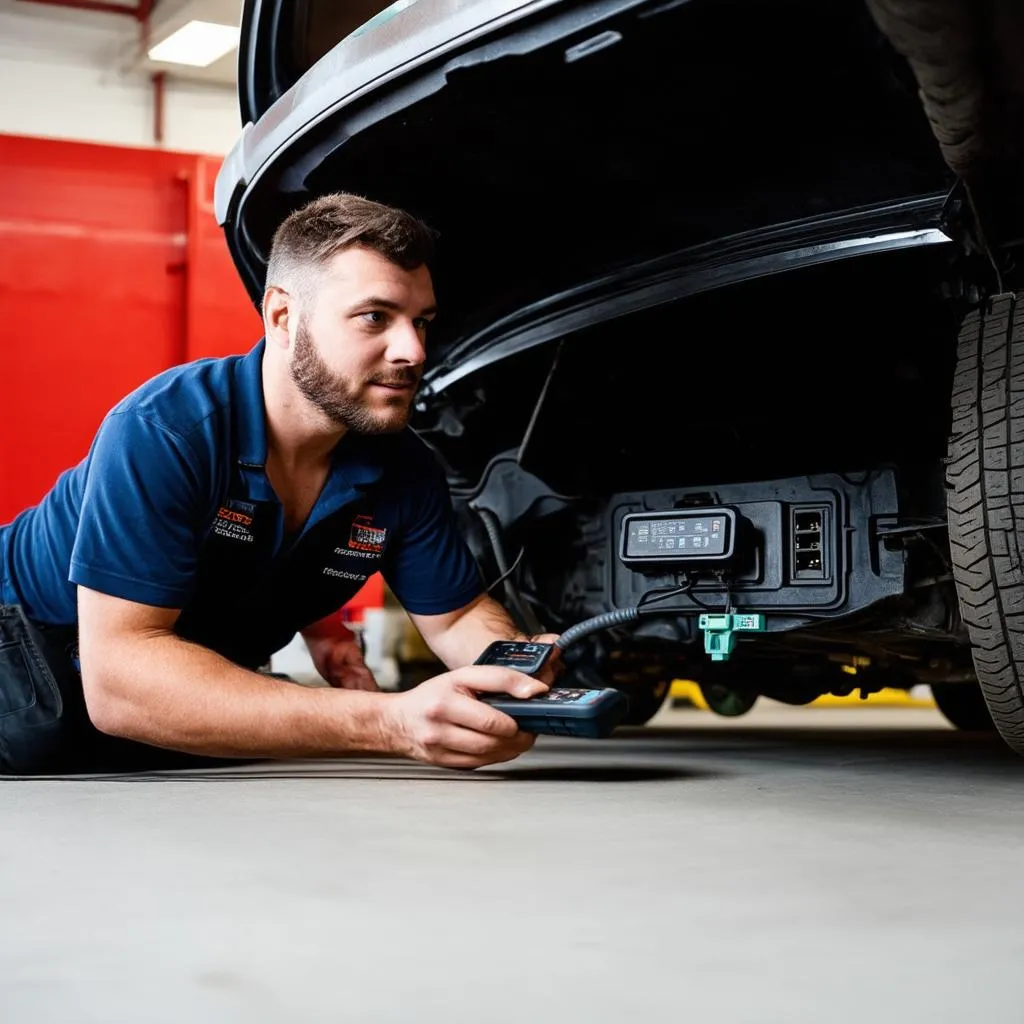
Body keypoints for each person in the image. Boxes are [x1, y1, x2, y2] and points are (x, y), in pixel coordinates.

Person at [0, 192, 560, 776]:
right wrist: (390, 721)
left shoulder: (404, 466)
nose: (413, 350)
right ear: (283, 316)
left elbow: (454, 615)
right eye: (376, 317)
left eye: (421, 322)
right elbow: (120, 683)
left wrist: (508, 669)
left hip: (151, 694)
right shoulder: (167, 431)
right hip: (22, 651)